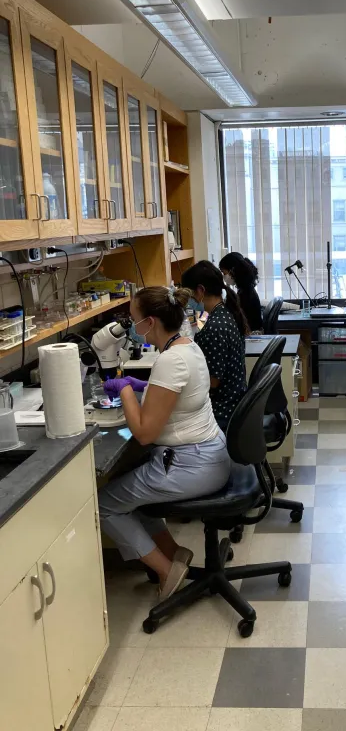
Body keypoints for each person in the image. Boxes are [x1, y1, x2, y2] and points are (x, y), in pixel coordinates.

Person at [98, 286, 231, 601]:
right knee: (131, 490)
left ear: (150, 322)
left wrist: (126, 390)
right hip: (208, 454)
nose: (132, 327)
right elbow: (179, 392)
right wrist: (145, 386)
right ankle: (174, 553)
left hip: (193, 465)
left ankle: (165, 569)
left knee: (104, 505)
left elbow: (144, 434)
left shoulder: (171, 360)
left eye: (134, 320)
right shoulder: (187, 346)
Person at [182, 260, 248, 432]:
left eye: (188, 295)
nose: (188, 301)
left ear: (200, 291)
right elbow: (196, 326)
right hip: (231, 403)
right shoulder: (221, 312)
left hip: (220, 412)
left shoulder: (215, 327)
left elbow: (212, 381)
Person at [220, 251, 263, 333]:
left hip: (249, 334)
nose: (223, 276)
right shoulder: (246, 289)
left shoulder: (245, 295)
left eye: (224, 273)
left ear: (232, 271)